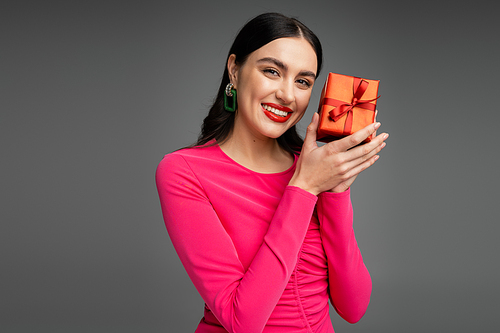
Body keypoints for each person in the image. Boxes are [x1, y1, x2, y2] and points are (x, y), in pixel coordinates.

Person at [156, 12, 388, 333]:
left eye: (303, 81)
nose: (288, 95)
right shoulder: (184, 172)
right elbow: (243, 321)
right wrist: (304, 188)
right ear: (234, 70)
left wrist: (335, 191)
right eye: (271, 71)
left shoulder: (310, 167)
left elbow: (354, 306)